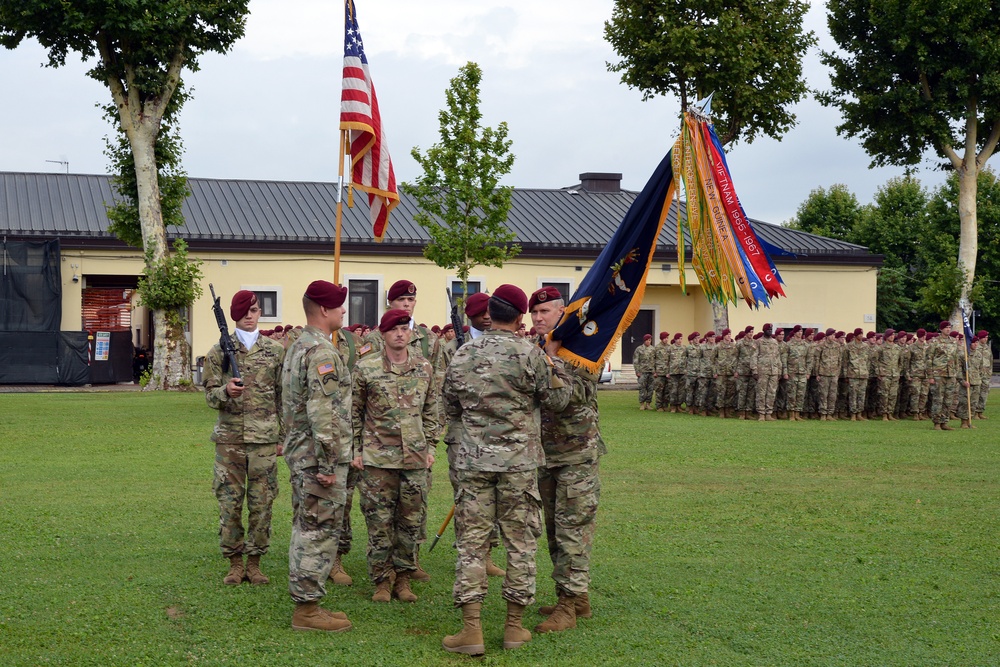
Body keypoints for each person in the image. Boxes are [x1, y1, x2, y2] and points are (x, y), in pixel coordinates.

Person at [441, 284, 573, 656]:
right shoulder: (530, 354)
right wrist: (554, 360)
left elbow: (449, 406)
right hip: (518, 463)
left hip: (473, 463)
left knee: (471, 544)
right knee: (519, 543)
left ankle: (471, 630)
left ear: (489, 315)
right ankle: (514, 628)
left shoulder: (463, 353)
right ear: (518, 317)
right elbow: (559, 400)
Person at [529, 286, 605, 634]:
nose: (538, 318)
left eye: (545, 312)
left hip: (577, 453)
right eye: (534, 313)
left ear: (564, 313)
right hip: (546, 454)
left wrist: (553, 357)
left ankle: (568, 606)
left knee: (573, 530)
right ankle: (577, 597)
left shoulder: (582, 351)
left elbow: (570, 396)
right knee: (554, 530)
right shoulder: (536, 349)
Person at [351, 309, 439, 603]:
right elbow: (353, 413)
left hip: (414, 458)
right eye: (394, 329)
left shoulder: (424, 367)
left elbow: (431, 412)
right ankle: (381, 580)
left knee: (410, 522)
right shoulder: (366, 368)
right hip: (378, 459)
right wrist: (356, 450)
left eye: (405, 328)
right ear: (383, 334)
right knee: (379, 522)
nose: (400, 333)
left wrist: (432, 448)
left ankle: (403, 579)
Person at [281, 280, 354, 632]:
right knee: (317, 531)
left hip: (301, 454)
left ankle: (309, 603)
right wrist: (327, 464)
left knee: (306, 526)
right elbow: (323, 411)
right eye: (340, 305)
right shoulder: (322, 352)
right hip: (316, 459)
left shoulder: (298, 345)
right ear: (324, 310)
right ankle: (307, 611)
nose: (344, 311)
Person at [204, 290, 284, 586]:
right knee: (230, 502)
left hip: (264, 440)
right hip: (230, 442)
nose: (251, 316)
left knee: (262, 503)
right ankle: (235, 563)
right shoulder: (218, 352)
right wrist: (226, 392)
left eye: (255, 310)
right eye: (246, 311)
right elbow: (210, 396)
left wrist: (283, 438)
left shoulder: (275, 351)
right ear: (236, 315)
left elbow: (282, 396)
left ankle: (255, 562)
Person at [633, 334, 655, 410]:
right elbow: (636, 361)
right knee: (642, 388)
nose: (649, 341)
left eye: (650, 340)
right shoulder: (639, 349)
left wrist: (655, 371)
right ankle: (642, 403)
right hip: (642, 371)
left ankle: (648, 404)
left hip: (651, 372)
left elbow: (655, 360)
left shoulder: (653, 349)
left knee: (650, 388)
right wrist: (637, 371)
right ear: (644, 340)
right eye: (647, 340)